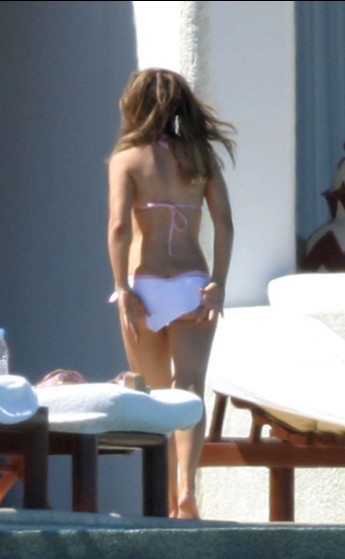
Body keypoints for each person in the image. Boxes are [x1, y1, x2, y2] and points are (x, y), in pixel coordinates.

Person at [107, 68, 235, 519]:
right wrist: (218, 282)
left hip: (144, 284)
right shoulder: (201, 158)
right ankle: (186, 488)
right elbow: (224, 223)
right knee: (190, 387)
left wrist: (121, 287)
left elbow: (119, 227)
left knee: (155, 395)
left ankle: (163, 497)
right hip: (190, 283)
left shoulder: (127, 159)